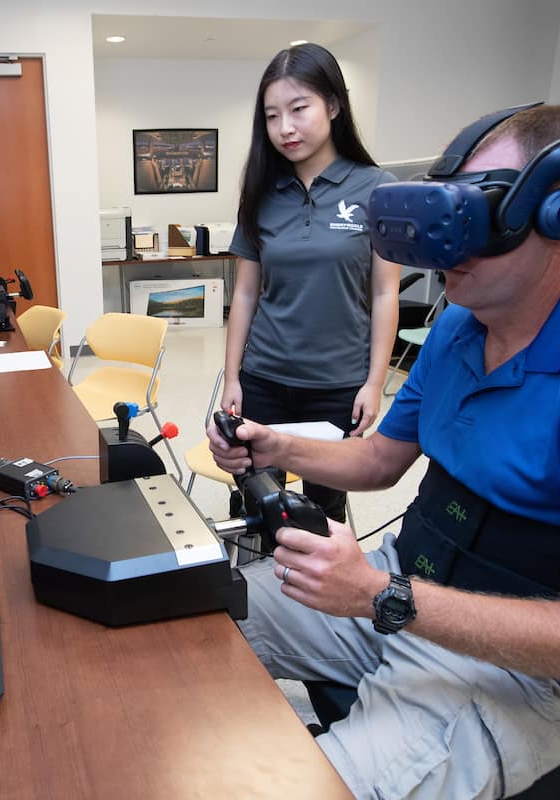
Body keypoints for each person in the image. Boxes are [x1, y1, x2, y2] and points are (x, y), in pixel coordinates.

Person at [208, 104, 560, 799]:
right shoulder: (458, 330)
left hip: (519, 676)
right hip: (408, 591)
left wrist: (384, 597)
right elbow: (380, 460)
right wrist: (274, 444)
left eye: (476, 215)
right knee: (199, 617)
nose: (443, 248)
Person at [223, 43, 401, 524]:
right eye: (272, 115)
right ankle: (250, 597)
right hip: (264, 378)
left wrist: (375, 383)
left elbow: (386, 293)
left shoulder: (376, 189)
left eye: (299, 108)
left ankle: (322, 601)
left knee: (323, 511)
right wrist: (233, 376)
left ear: (334, 105)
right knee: (255, 504)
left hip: (336, 384)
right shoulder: (261, 194)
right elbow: (244, 294)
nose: (285, 128)